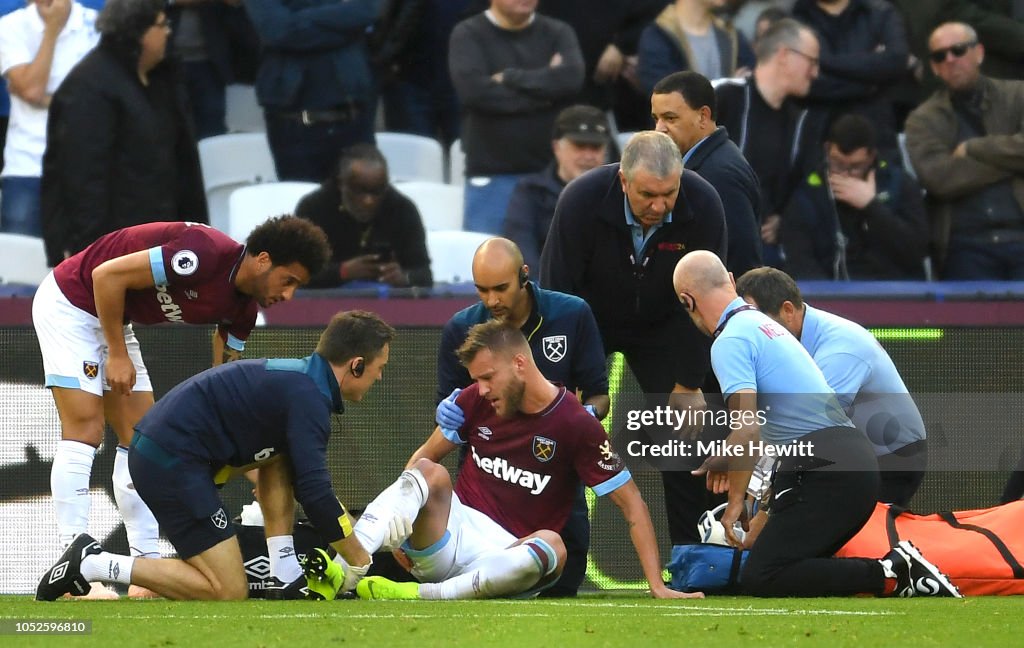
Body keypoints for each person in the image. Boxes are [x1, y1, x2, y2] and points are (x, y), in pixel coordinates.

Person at [31, 217, 330, 598]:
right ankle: (72, 569)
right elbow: (106, 277)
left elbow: (223, 389)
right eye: (288, 281)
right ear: (263, 260)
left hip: (113, 318)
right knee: (85, 431)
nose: (288, 296)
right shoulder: (203, 253)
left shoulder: (242, 313)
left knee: (141, 440)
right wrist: (117, 355)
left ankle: (145, 570)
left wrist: (251, 466)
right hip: (70, 301)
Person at [306, 321, 700, 600]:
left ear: (520, 364)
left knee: (554, 546)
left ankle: (419, 596)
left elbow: (632, 503)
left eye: (487, 377)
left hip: (508, 555)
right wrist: (406, 526)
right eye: (476, 379)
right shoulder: (475, 400)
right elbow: (422, 460)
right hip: (450, 533)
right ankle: (345, 568)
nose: (481, 388)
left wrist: (657, 585)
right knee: (430, 470)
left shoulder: (576, 424)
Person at [36, 310, 394, 601]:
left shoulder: (302, 386)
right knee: (228, 590)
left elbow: (290, 474)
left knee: (283, 458)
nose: (379, 379)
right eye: (379, 369)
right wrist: (360, 560)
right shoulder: (308, 399)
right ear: (357, 365)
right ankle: (93, 564)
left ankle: (284, 574)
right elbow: (316, 494)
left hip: (171, 454)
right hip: (169, 461)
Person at [672, 250, 959, 598]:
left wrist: (736, 503)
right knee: (787, 565)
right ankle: (892, 571)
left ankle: (892, 571)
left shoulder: (731, 339)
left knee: (763, 574)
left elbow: (747, 430)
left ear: (687, 300)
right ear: (730, 280)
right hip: (844, 461)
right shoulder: (768, 327)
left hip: (827, 467)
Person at [540, 131, 728, 547]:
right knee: (556, 423)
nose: (660, 207)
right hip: (589, 320)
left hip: (669, 325)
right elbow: (557, 297)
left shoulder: (705, 203)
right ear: (623, 181)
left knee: (687, 434)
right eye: (647, 195)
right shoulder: (580, 201)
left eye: (669, 193)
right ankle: (552, 548)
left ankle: (692, 559)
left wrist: (689, 382)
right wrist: (562, 382)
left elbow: (709, 303)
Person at [435, 237, 608, 596]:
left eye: (501, 288)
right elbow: (447, 411)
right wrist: (447, 415)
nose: (492, 300)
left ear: (524, 275)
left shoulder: (573, 314)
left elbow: (599, 394)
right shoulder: (459, 327)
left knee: (562, 589)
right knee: (479, 592)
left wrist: (587, 416)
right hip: (485, 498)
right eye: (482, 290)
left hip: (555, 488)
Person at [735, 266, 928, 507]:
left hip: (892, 462)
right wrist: (753, 495)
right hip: (855, 457)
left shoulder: (841, 349)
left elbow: (807, 432)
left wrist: (758, 504)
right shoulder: (787, 344)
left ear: (788, 311)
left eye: (757, 322)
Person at [40, 0, 208, 268]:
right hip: (115, 251)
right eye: (162, 24)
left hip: (165, 243)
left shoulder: (163, 80)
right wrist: (91, 256)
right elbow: (83, 182)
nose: (168, 32)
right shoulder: (89, 87)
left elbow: (183, 165)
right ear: (137, 30)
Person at [449, 0, 584, 233]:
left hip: (550, 177)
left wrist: (510, 78)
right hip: (491, 175)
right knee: (487, 262)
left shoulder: (558, 32)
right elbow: (475, 93)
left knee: (551, 264)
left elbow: (570, 80)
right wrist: (546, 93)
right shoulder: (468, 34)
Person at [904, 22, 1024, 280]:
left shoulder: (1018, 95)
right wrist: (1012, 160)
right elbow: (940, 178)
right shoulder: (922, 119)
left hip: (1020, 232)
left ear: (978, 52)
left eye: (958, 50)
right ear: (934, 67)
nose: (950, 59)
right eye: (940, 56)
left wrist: (973, 148)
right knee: (972, 320)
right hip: (965, 245)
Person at [713, 17, 828, 269]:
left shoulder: (802, 122)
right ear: (785, 55)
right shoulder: (723, 96)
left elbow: (805, 187)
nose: (815, 72)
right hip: (709, 238)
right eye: (812, 61)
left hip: (765, 250)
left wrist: (783, 220)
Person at [243, 0, 377, 181]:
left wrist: (299, 18)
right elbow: (279, 30)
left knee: (360, 203)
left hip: (354, 119)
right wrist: (345, 25)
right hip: (294, 125)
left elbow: (367, 10)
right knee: (302, 203)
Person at [783, 113, 929, 279]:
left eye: (856, 166)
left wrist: (871, 207)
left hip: (895, 292)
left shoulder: (899, 184)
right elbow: (800, 262)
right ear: (827, 149)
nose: (846, 174)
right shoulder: (808, 194)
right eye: (837, 164)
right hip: (832, 295)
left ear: (872, 156)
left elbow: (917, 251)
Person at [0, 0, 98, 237]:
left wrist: (44, 99)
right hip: (27, 167)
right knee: (18, 268)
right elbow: (34, 89)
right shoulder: (9, 26)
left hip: (86, 169)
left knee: (85, 269)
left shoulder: (96, 27)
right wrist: (52, 30)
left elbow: (102, 99)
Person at [651, 70, 763, 277]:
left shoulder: (719, 175)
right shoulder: (707, 164)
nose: (659, 129)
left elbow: (741, 259)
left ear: (703, 116)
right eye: (656, 118)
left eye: (670, 118)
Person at [296, 143, 432, 289]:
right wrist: (342, 272)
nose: (368, 201)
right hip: (325, 305)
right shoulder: (313, 208)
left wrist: (404, 277)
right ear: (341, 183)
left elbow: (424, 275)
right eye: (359, 191)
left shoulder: (403, 210)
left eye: (377, 191)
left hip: (387, 304)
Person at [791, 0, 912, 155]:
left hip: (877, 134)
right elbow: (807, 83)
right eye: (813, 60)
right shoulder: (796, 19)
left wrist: (824, 62)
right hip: (817, 136)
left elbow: (896, 62)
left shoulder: (879, 12)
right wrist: (871, 82)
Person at [503, 104, 611, 272]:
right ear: (556, 147)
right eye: (580, 146)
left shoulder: (620, 194)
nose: (589, 156)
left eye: (596, 147)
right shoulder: (531, 193)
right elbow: (522, 255)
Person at [636, 0, 755, 96]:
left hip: (728, 125)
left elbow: (751, 80)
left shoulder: (730, 34)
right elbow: (668, 96)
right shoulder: (657, 36)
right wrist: (729, 87)